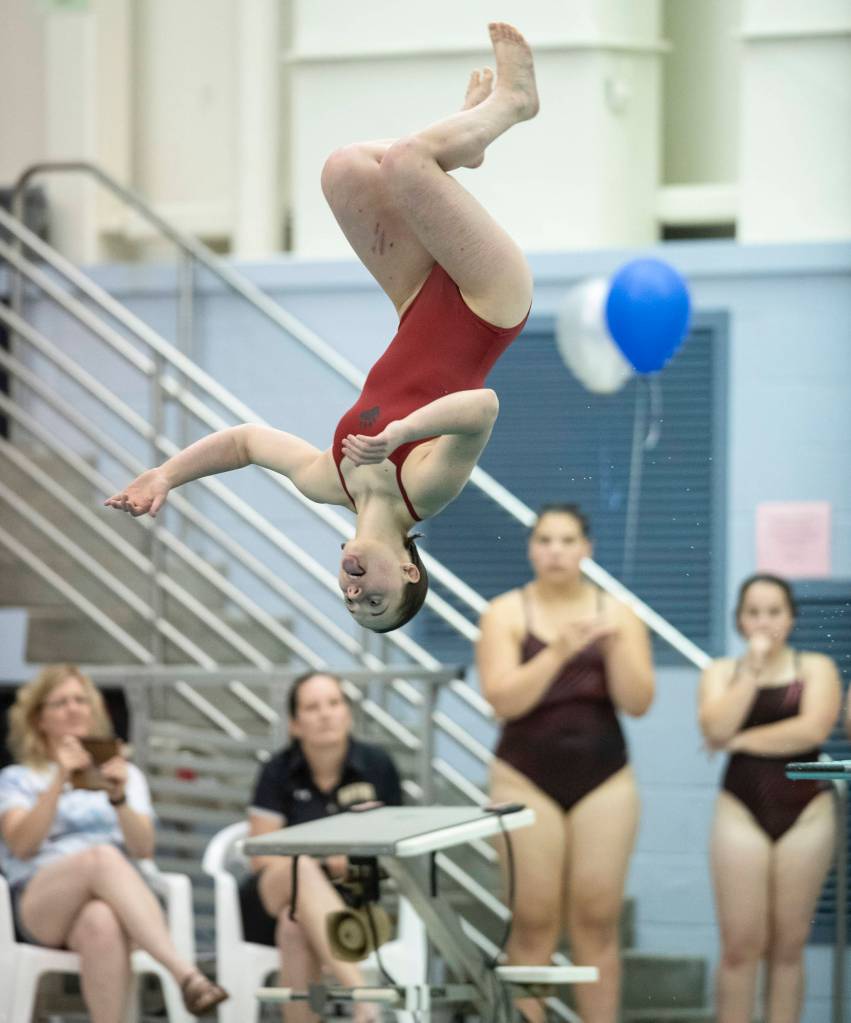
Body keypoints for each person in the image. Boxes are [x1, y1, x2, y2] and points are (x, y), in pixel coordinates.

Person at [104, 22, 538, 634]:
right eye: (376, 602)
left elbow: (247, 442)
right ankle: (512, 106)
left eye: (352, 604)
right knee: (409, 163)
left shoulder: (326, 480)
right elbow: (483, 407)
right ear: (410, 572)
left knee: (345, 169)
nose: (357, 594)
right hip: (488, 304)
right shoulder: (425, 491)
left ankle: (459, 150)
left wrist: (165, 475)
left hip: (417, 298)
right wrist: (403, 434)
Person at [477, 504, 654, 1023]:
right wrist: (558, 651)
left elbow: (639, 702)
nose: (555, 551)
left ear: (586, 549)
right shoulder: (505, 613)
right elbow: (502, 701)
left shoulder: (619, 613)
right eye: (545, 540)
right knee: (533, 921)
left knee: (597, 920)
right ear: (532, 549)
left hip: (605, 779)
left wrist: (615, 643)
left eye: (567, 540)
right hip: (524, 775)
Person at [0, 664, 228, 1019]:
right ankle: (185, 973)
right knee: (101, 856)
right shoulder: (18, 779)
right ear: (39, 719)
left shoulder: (124, 774)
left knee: (101, 922)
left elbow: (143, 849)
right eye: (60, 703)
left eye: (81, 700)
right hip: (42, 902)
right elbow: (21, 845)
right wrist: (61, 777)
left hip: (119, 903)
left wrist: (119, 796)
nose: (74, 708)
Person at [699, 573, 841, 1023]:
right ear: (739, 620)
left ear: (792, 617)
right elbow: (715, 729)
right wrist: (754, 672)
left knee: (788, 946)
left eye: (774, 612)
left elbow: (812, 730)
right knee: (740, 946)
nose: (764, 622)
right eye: (753, 613)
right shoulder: (720, 672)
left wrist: (741, 742)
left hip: (807, 812)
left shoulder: (815, 667)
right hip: (740, 808)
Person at [242, 671, 403, 1023]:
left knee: (295, 924)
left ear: (348, 712)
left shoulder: (378, 767)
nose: (326, 714)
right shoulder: (277, 771)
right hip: (274, 891)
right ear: (295, 724)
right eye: (312, 707)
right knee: (300, 868)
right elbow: (261, 857)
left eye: (334, 703)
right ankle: (364, 997)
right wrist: (322, 863)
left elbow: (399, 845)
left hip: (351, 900)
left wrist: (358, 858)